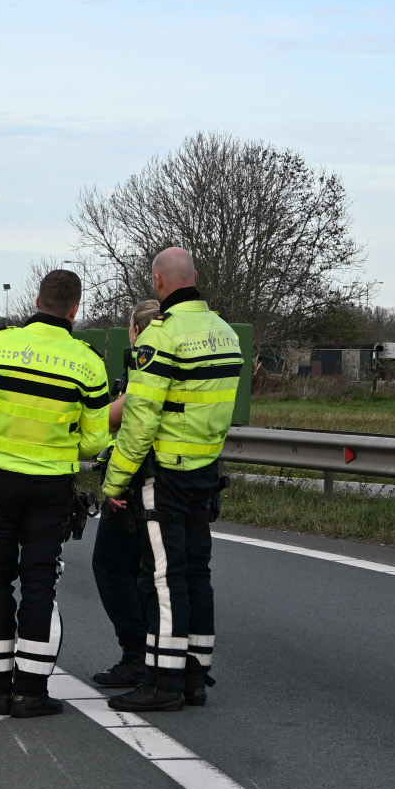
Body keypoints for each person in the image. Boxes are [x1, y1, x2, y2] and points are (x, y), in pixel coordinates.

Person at [0, 269, 112, 719]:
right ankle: (33, 693)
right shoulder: (89, 363)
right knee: (41, 583)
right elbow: (96, 442)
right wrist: (55, 447)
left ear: (37, 300)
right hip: (52, 487)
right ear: (75, 309)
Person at [102, 247, 241, 712]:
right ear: (195, 277)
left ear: (159, 283)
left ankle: (162, 683)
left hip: (166, 474)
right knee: (197, 573)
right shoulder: (225, 334)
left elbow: (140, 420)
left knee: (162, 577)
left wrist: (115, 481)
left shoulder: (161, 336)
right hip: (206, 470)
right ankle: (195, 675)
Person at [87, 299, 161, 689]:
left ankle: (136, 654)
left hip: (136, 481)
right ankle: (166, 654)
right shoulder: (181, 360)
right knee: (154, 572)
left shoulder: (146, 364)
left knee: (112, 565)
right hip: (178, 478)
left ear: (135, 331)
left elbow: (121, 419)